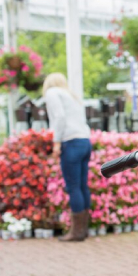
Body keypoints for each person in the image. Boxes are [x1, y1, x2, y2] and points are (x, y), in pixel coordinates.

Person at [43, 73, 91, 242]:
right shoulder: (72, 95)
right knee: (82, 186)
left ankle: (76, 232)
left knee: (73, 187)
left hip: (70, 142)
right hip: (85, 141)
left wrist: (56, 142)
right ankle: (83, 230)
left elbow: (59, 117)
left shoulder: (52, 93)